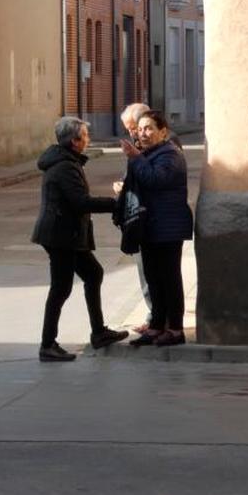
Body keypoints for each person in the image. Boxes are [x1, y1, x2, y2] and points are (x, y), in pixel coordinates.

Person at [31, 116, 128, 361]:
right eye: (84, 136)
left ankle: (98, 332)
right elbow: (80, 202)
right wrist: (116, 204)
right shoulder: (64, 166)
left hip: (67, 233)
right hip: (60, 235)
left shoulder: (67, 161)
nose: (88, 140)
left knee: (93, 274)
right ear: (74, 141)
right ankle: (47, 344)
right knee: (60, 288)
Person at [122, 110, 193, 347]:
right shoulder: (149, 153)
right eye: (140, 129)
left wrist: (135, 158)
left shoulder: (170, 154)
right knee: (153, 278)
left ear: (163, 132)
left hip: (168, 227)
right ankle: (156, 326)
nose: (143, 133)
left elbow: (155, 179)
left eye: (149, 128)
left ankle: (175, 329)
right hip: (151, 227)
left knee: (169, 279)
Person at [114, 102, 153, 329]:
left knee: (150, 272)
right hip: (139, 216)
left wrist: (126, 189)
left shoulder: (160, 147)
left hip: (146, 218)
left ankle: (155, 317)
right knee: (146, 272)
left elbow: (152, 180)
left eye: (132, 127)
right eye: (128, 129)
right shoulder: (139, 146)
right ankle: (154, 316)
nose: (131, 133)